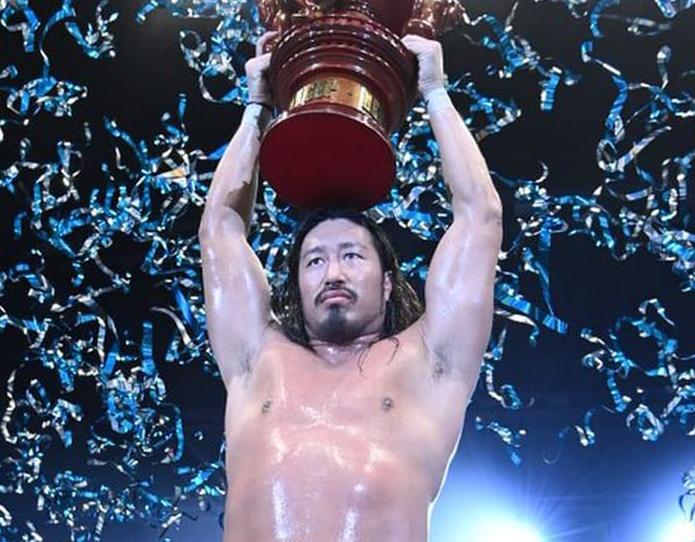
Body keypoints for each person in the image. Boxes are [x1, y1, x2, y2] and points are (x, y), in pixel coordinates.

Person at [199, 31, 503, 541]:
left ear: (388, 284)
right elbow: (220, 226)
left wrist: (436, 92)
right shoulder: (257, 359)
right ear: (295, 287)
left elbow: (481, 216)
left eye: (352, 256)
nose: (333, 272)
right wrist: (257, 107)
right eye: (315, 260)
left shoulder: (429, 363)